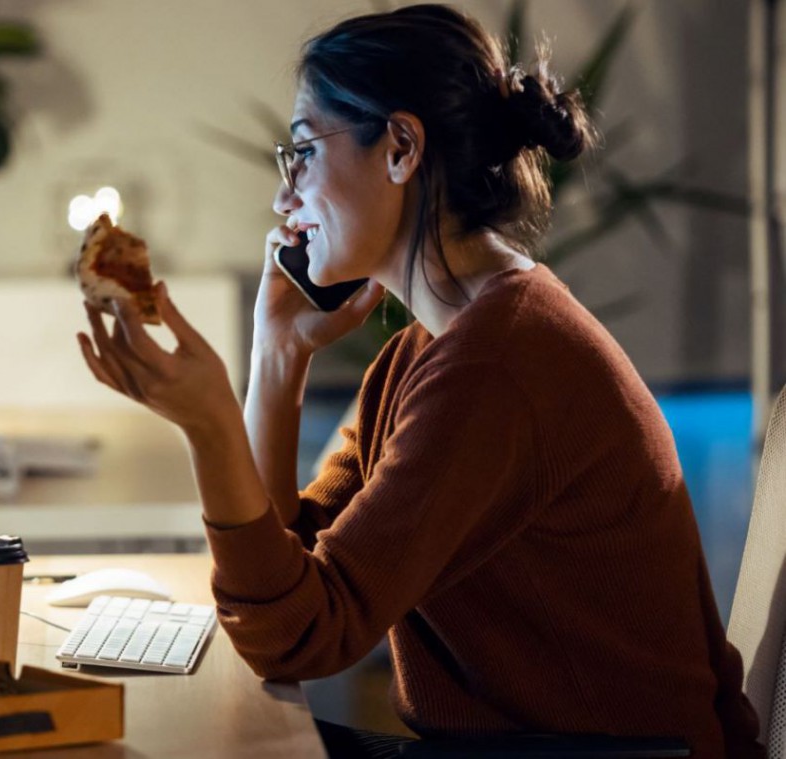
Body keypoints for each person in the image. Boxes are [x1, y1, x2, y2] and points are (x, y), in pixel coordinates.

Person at [76, 4, 765, 757]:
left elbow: (299, 633)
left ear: (401, 147)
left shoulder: (498, 367)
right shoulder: (434, 349)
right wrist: (277, 361)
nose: (283, 198)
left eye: (303, 151)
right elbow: (297, 562)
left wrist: (211, 425)